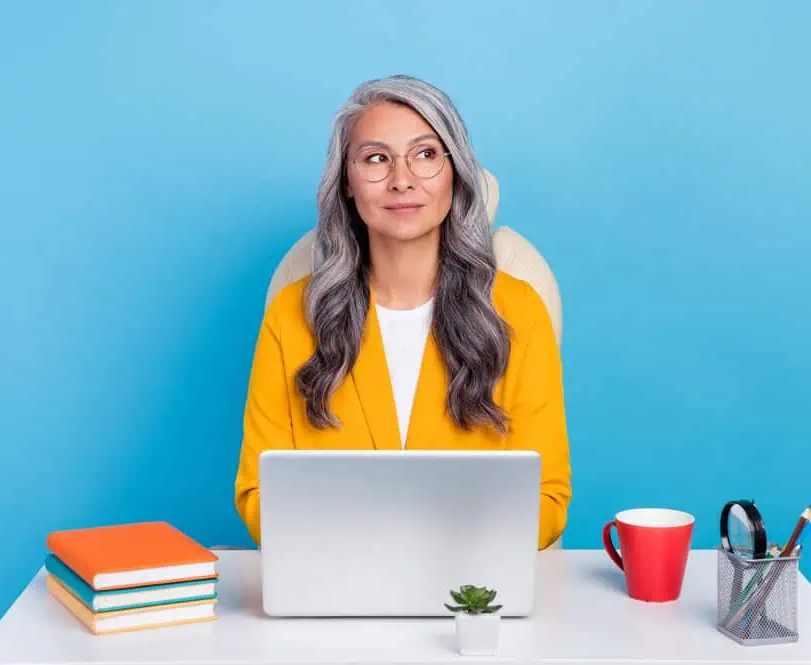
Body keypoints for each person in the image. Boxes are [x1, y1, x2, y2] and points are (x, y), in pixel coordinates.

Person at [234, 74, 571, 550]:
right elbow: (257, 493)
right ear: (347, 183)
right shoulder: (292, 315)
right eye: (376, 158)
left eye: (426, 154)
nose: (402, 179)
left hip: (470, 592)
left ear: (455, 173)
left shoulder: (519, 311)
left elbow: (547, 496)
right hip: (333, 585)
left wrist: (433, 549)